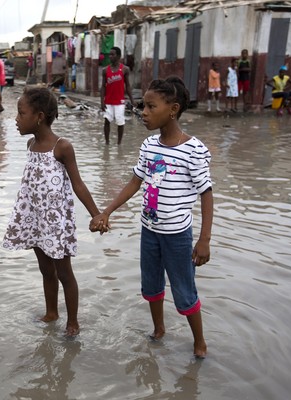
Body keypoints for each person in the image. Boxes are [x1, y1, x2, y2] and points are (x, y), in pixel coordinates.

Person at [90, 76, 213, 359]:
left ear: (173, 109)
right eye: (143, 106)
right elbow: (136, 182)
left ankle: (200, 342)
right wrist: (106, 211)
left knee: (184, 291)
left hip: (178, 236)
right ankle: (159, 329)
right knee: (151, 285)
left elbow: (207, 194)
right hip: (150, 231)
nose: (143, 112)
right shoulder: (149, 146)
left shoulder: (193, 150)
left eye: (150, 106)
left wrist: (204, 240)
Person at [2, 87, 102, 337]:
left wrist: (96, 214)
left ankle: (73, 323)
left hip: (56, 223)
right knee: (46, 270)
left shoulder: (62, 147)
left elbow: (78, 183)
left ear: (39, 116)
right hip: (35, 219)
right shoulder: (31, 144)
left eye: (21, 113)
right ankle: (51, 313)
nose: (16, 119)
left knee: (64, 273)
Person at [100, 47, 135, 145]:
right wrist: (102, 102)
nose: (110, 56)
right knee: (106, 121)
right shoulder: (105, 70)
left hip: (119, 102)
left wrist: (132, 100)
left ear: (118, 56)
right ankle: (107, 143)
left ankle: (119, 143)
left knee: (120, 122)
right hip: (108, 101)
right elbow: (103, 87)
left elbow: (127, 86)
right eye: (109, 55)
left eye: (112, 54)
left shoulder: (125, 69)